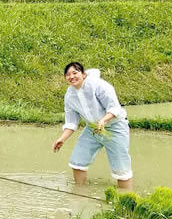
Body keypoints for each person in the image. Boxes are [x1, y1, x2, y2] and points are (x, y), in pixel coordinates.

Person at [52, 62, 133, 190]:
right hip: (93, 129)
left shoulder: (99, 85)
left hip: (115, 127)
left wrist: (103, 121)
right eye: (67, 74)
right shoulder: (70, 95)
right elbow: (72, 121)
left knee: (121, 169)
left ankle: (125, 199)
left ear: (83, 74)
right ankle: (80, 194)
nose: (71, 76)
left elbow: (114, 108)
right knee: (77, 161)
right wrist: (62, 138)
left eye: (75, 73)